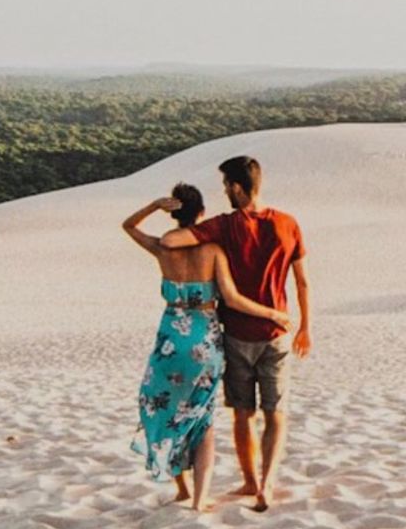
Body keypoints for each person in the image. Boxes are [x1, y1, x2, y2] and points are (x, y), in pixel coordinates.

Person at [123, 183, 293, 512]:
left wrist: (154, 205)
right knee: (203, 420)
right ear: (201, 214)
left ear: (174, 213)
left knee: (168, 412)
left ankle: (182, 489)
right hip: (205, 339)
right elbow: (232, 298)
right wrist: (272, 313)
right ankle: (199, 500)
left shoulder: (163, 249)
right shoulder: (213, 250)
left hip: (170, 341)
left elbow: (128, 226)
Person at [161, 156, 311, 512]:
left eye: (227, 185)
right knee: (276, 412)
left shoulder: (224, 227)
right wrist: (306, 325)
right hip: (277, 332)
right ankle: (269, 484)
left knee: (243, 412)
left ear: (238, 187)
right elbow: (302, 280)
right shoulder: (288, 224)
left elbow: (170, 240)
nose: (225, 192)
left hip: (237, 335)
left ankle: (250, 480)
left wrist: (163, 209)